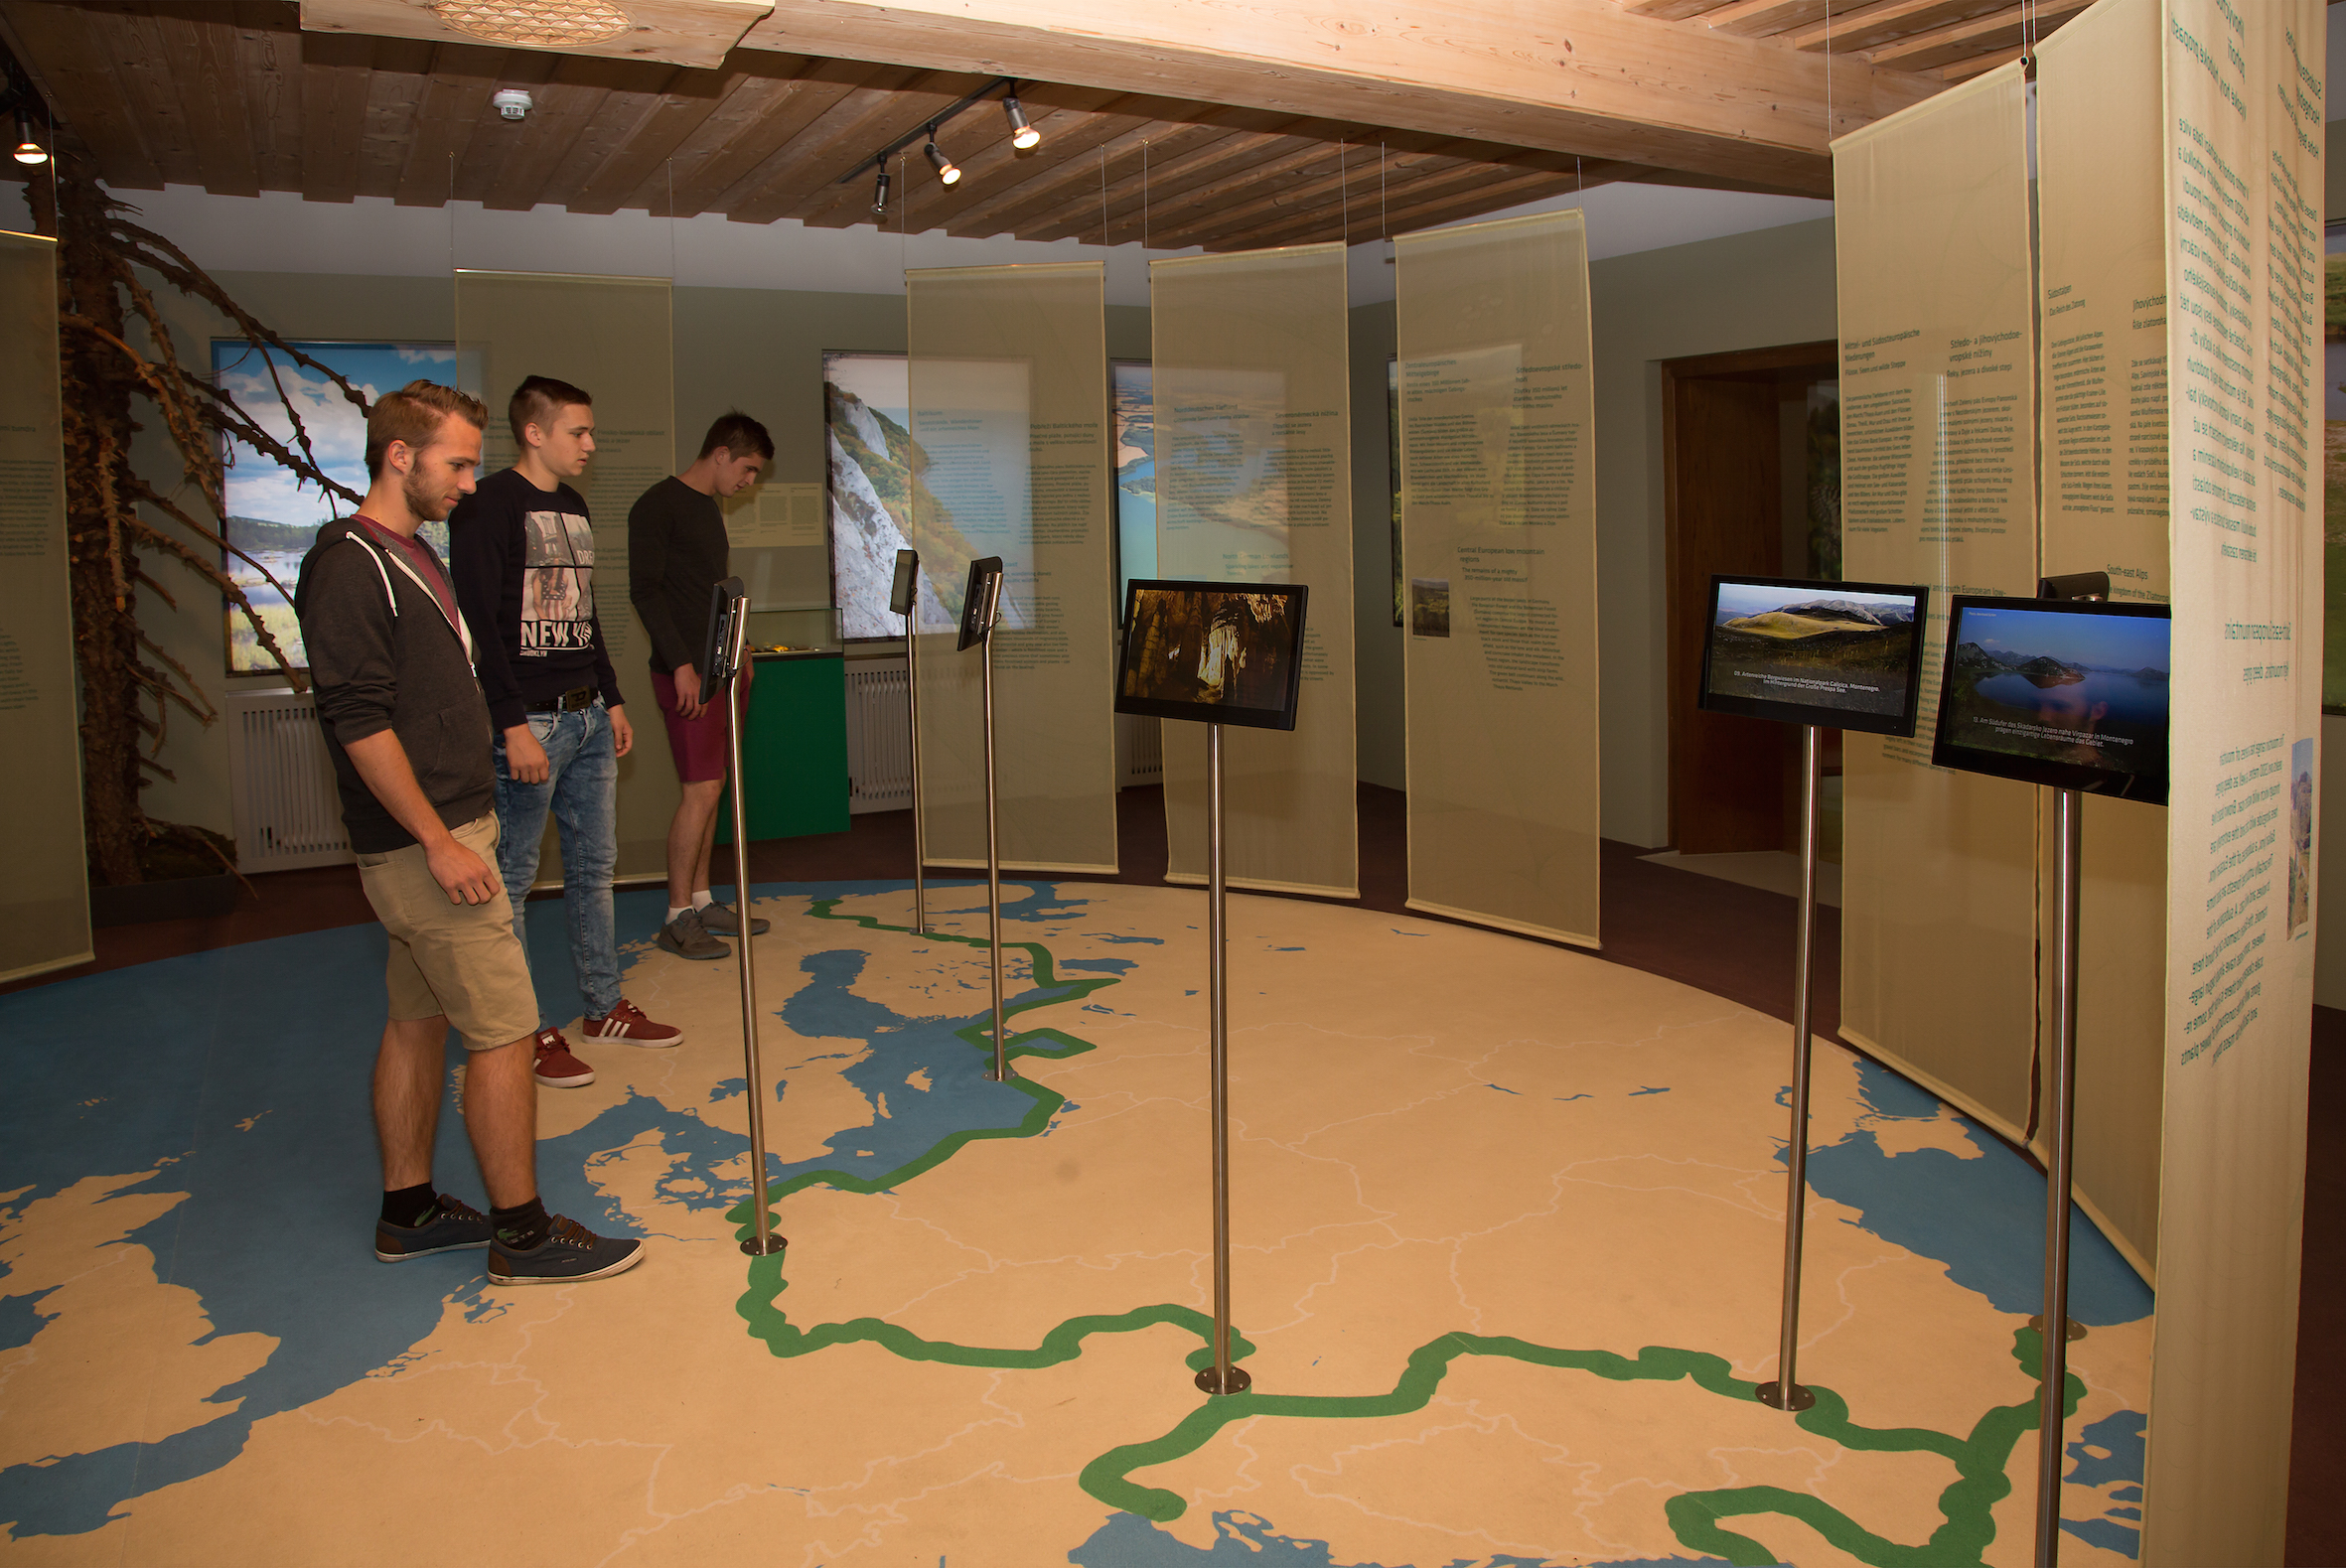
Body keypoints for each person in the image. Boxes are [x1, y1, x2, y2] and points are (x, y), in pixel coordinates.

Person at [295, 379, 643, 1287]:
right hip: (431, 847)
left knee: (417, 1021)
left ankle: (408, 1210)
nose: (467, 483)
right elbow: (358, 720)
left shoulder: (412, 551)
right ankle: (523, 1234)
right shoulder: (350, 564)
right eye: (454, 464)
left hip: (448, 832)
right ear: (398, 456)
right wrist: (438, 841)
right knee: (503, 1032)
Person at [448, 376, 683, 1090]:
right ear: (535, 432)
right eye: (578, 431)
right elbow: (480, 625)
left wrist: (612, 697)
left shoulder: (574, 506)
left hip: (586, 715)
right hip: (530, 722)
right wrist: (509, 722)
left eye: (590, 431)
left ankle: (602, 1007)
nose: (590, 444)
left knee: (592, 868)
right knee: (512, 881)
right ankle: (521, 1031)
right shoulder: (487, 505)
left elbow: (585, 612)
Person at [628, 411, 775, 960]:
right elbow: (646, 592)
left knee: (714, 786)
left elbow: (716, 591)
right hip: (686, 674)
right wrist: (681, 664)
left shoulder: (708, 509)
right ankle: (676, 916)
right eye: (747, 469)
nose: (749, 481)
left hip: (722, 670)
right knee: (701, 789)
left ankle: (702, 898)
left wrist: (743, 646)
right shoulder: (656, 505)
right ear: (720, 454)